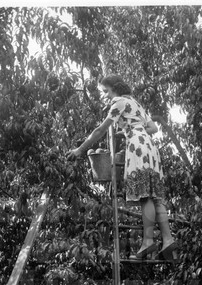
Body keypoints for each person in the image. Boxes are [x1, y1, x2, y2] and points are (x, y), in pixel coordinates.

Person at [66, 74, 177, 260]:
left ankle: (148, 242)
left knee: (145, 197)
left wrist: (79, 150)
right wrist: (130, 128)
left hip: (137, 148)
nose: (107, 96)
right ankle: (167, 239)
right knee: (156, 198)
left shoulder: (118, 103)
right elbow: (153, 129)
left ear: (114, 88)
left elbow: (100, 130)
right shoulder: (136, 104)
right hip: (151, 148)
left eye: (106, 91)